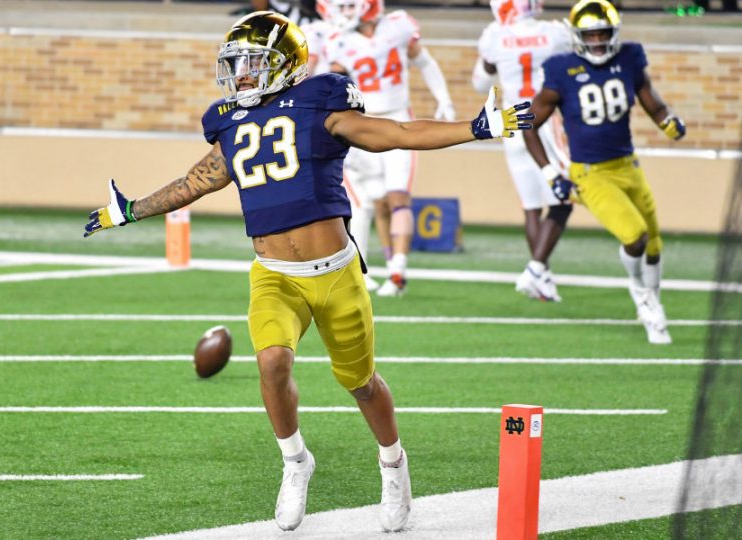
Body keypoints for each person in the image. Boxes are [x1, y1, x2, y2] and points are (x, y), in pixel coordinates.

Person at [83, 12, 531, 532]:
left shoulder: (320, 102)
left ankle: (393, 464)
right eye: (236, 65)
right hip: (273, 274)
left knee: (361, 383)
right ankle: (295, 462)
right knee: (271, 362)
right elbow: (197, 181)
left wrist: (475, 128)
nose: (242, 75)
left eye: (253, 64)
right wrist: (131, 209)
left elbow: (395, 132)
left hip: (336, 273)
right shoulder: (228, 121)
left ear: (285, 65)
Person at [523, 0, 685, 344]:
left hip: (628, 165)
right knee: (635, 236)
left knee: (655, 243)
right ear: (576, 36)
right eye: (590, 33)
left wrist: (667, 120)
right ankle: (642, 295)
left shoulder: (630, 57)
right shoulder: (560, 69)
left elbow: (650, 99)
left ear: (615, 32)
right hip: (590, 173)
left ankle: (653, 302)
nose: (597, 40)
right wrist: (551, 172)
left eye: (603, 32)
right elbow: (530, 125)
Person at [318, 0, 457, 296]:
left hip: (398, 119)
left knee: (398, 198)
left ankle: (397, 273)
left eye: (349, 5)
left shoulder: (398, 26)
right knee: (368, 201)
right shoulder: (338, 39)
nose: (344, 12)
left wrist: (444, 99)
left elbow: (425, 62)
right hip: (362, 124)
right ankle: (362, 268)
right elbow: (327, 83)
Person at [473, 0, 574, 302]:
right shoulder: (554, 33)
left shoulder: (495, 35)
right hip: (545, 120)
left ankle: (541, 278)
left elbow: (480, 81)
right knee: (563, 197)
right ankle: (537, 268)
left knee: (531, 205)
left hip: (512, 120)